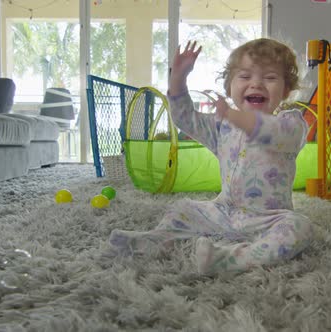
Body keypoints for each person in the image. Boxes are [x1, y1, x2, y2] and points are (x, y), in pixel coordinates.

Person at [108, 38, 313, 275]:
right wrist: (178, 78)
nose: (256, 84)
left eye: (269, 77)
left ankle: (232, 259)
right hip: (223, 211)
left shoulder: (291, 123)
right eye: (245, 76)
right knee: (183, 207)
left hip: (268, 218)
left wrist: (234, 116)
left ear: (286, 90)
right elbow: (185, 118)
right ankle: (154, 241)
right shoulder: (221, 126)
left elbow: (270, 131)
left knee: (300, 227)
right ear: (229, 88)